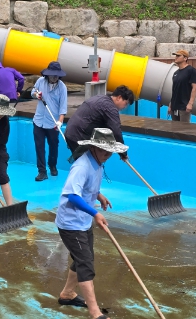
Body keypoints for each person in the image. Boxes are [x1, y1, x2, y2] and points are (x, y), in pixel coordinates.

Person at [55, 128, 128, 319]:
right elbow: (72, 195)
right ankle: (95, 313)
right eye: (104, 150)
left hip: (83, 221)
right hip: (71, 223)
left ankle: (67, 294)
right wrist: (95, 213)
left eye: (110, 151)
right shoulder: (82, 166)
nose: (107, 154)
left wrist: (98, 195)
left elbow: (88, 187)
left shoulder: (98, 163)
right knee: (85, 264)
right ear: (93, 147)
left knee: (84, 258)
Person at [65, 85, 134, 163]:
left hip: (70, 131)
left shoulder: (101, 98)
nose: (125, 107)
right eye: (126, 103)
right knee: (87, 163)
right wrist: (123, 153)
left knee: (86, 161)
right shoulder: (110, 108)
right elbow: (116, 131)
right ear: (119, 97)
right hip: (79, 135)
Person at [31, 61, 68, 181]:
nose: (54, 77)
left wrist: (60, 122)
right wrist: (36, 95)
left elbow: (63, 108)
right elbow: (33, 92)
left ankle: (52, 165)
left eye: (57, 75)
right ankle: (42, 171)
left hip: (53, 123)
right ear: (47, 74)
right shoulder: (40, 81)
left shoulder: (62, 87)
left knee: (53, 145)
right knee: (39, 147)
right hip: (38, 121)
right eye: (52, 75)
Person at [169, 50, 196, 122]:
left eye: (178, 56)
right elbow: (174, 90)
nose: (176, 57)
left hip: (184, 107)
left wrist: (190, 104)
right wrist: (170, 105)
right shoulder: (175, 73)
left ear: (185, 58)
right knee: (174, 128)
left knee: (184, 128)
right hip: (174, 107)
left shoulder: (191, 71)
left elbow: (195, 88)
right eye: (176, 56)